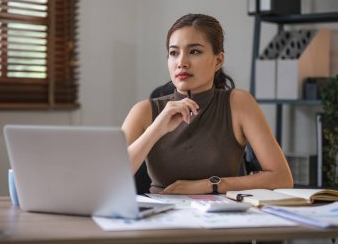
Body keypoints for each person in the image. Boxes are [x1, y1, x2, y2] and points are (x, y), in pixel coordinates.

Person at [122, 13, 293, 194]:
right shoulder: (143, 111)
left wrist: (208, 185)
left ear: (218, 60)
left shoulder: (239, 104)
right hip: (160, 218)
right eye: (173, 53)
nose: (181, 63)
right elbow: (107, 178)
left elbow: (282, 178)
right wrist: (156, 129)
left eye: (194, 51)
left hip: (221, 218)